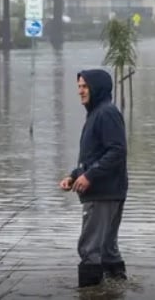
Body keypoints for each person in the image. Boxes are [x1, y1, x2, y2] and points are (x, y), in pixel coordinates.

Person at [58, 68, 128, 288]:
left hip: (102, 193)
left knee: (90, 249)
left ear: (97, 88)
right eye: (78, 86)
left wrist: (89, 176)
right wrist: (74, 175)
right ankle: (116, 290)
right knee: (107, 249)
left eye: (85, 86)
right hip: (108, 190)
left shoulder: (105, 113)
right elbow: (95, 155)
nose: (80, 91)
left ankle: (90, 293)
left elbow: (117, 150)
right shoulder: (97, 113)